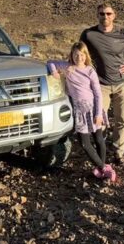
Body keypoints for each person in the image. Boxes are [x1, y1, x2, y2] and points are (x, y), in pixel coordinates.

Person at [80, 2, 124, 166]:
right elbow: (80, 53)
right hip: (100, 85)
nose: (105, 17)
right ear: (97, 15)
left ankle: (119, 154)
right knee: (99, 120)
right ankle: (100, 154)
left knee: (121, 120)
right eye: (102, 14)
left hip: (122, 84)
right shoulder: (89, 34)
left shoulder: (123, 33)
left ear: (114, 15)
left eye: (108, 14)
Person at [48, 42, 116, 182]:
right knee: (84, 143)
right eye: (76, 54)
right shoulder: (67, 67)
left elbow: (97, 94)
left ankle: (101, 169)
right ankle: (104, 167)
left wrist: (98, 114)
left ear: (86, 56)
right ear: (72, 55)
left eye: (82, 54)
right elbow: (50, 62)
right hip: (79, 110)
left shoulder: (90, 71)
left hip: (93, 108)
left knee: (98, 138)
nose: (79, 57)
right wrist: (54, 72)